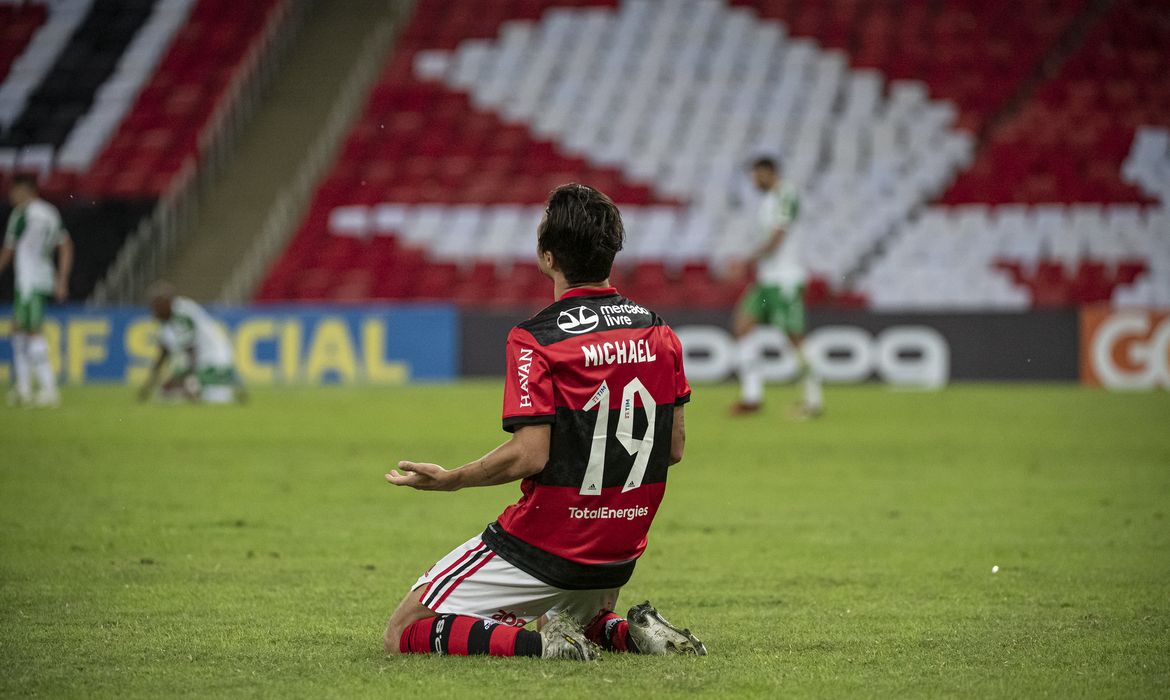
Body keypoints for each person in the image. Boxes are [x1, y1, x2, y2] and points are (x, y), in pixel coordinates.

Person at [383, 184, 705, 661]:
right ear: (611, 252)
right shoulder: (659, 332)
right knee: (568, 614)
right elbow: (673, 449)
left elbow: (530, 455)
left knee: (406, 629)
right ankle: (628, 633)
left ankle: (544, 648)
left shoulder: (537, 338)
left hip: (548, 543)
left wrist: (452, 479)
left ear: (548, 256)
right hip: (618, 550)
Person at [730, 156, 823, 418]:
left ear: (769, 172)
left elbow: (778, 237)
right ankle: (752, 397)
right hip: (767, 282)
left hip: (786, 281)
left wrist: (746, 260)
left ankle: (813, 400)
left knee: (793, 337)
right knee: (743, 325)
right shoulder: (768, 201)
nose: (754, 181)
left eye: (756, 175)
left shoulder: (786, 195)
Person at [1, 174, 72, 407]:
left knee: (32, 331)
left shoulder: (22, 214)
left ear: (26, 190)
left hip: (29, 281)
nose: (11, 196)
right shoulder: (50, 212)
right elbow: (66, 245)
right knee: (19, 329)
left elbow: (8, 251)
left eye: (14, 191)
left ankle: (48, 389)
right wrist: (61, 279)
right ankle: (23, 388)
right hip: (42, 278)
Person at [138, 282, 245, 404]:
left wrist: (191, 381)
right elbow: (164, 354)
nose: (153, 310)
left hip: (213, 358)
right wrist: (148, 385)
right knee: (166, 391)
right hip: (199, 361)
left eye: (156, 305)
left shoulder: (182, 314)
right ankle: (220, 382)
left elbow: (191, 350)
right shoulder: (165, 321)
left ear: (167, 303)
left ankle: (223, 383)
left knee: (204, 395)